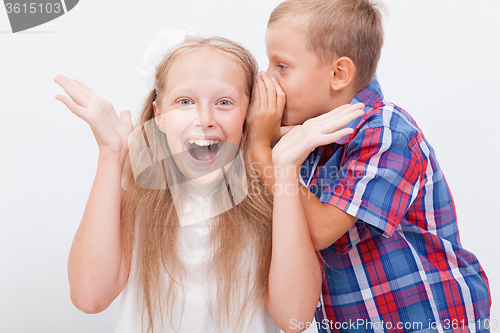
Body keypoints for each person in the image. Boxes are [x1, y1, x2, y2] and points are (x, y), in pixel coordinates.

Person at [55, 33, 358, 333]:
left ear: (248, 114)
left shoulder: (273, 191)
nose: (204, 118)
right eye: (185, 101)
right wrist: (112, 155)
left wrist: (285, 170)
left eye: (224, 102)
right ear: (159, 115)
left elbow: (294, 317)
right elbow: (89, 298)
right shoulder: (135, 190)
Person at [248, 0, 491, 332]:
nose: (267, 78)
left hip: (428, 320)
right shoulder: (309, 141)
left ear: (338, 74)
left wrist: (262, 150)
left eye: (282, 66)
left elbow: (319, 230)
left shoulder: (386, 132)